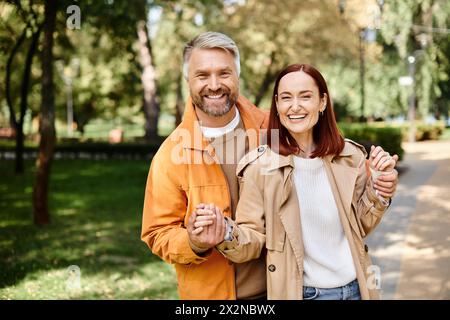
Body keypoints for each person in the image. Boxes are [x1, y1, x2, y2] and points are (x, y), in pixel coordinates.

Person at [190, 63, 399, 300]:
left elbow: (359, 226)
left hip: (357, 289)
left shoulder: (350, 156)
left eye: (305, 96)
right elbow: (254, 238)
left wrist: (380, 190)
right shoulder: (259, 167)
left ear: (322, 102)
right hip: (303, 293)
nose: (295, 106)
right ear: (277, 105)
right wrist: (224, 232)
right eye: (286, 98)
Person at [141, 32, 269, 300]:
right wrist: (194, 243)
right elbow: (157, 233)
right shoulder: (170, 155)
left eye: (224, 73)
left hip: (280, 290)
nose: (214, 85)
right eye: (202, 75)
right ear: (188, 79)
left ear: (237, 76)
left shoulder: (272, 130)